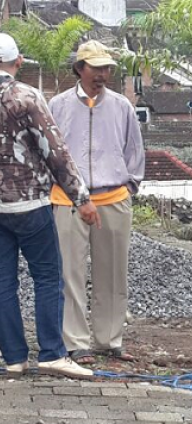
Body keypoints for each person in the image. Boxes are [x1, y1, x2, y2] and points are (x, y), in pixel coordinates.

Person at [0, 33, 101, 379]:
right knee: (47, 277)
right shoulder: (26, 97)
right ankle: (52, 353)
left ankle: (13, 357)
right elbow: (54, 150)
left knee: (2, 283)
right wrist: (81, 198)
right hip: (28, 201)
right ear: (18, 62)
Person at [49, 40, 145, 364]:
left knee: (114, 271)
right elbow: (50, 151)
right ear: (80, 69)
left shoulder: (122, 107)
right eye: (96, 67)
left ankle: (108, 339)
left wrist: (130, 185)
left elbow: (135, 150)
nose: (103, 74)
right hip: (68, 198)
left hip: (113, 195)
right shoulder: (58, 105)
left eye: (107, 68)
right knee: (70, 272)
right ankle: (75, 341)